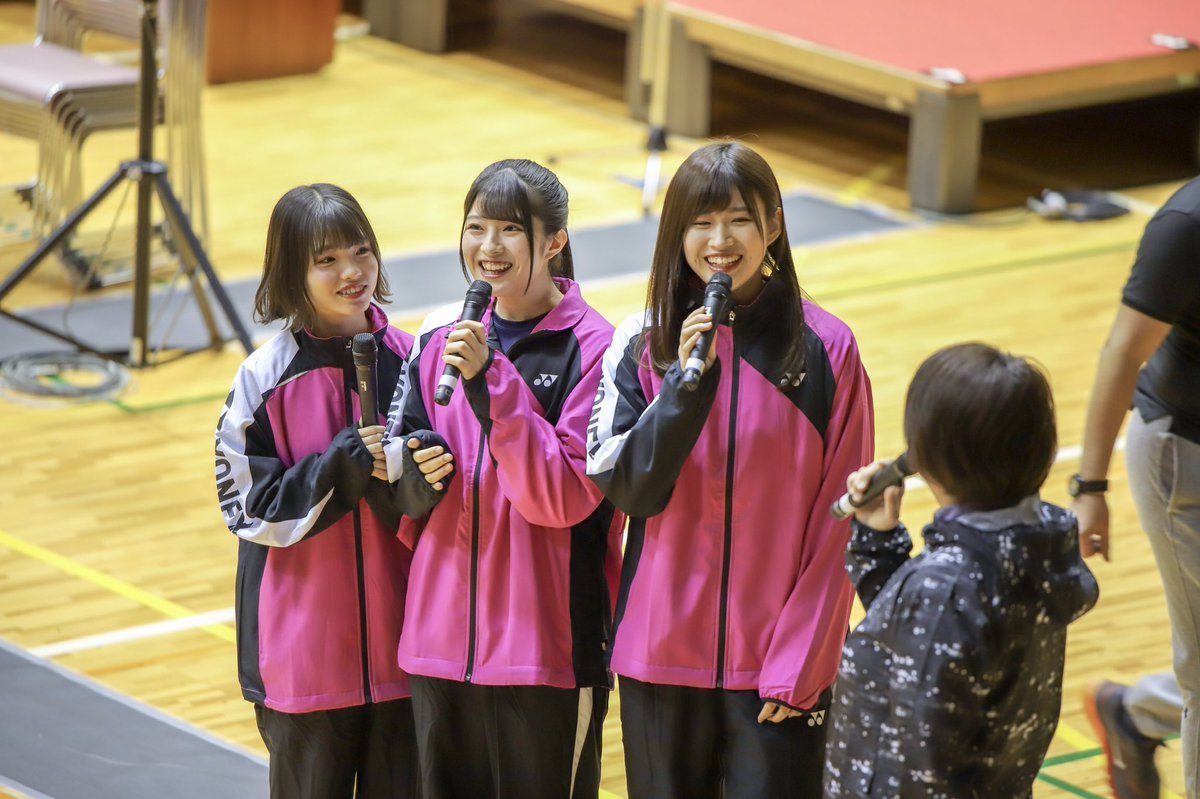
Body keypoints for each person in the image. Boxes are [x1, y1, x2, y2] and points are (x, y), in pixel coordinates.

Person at [585, 141, 874, 798]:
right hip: (658, 658)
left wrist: (802, 662)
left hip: (776, 669)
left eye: (739, 219)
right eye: (702, 222)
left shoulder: (827, 349)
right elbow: (629, 489)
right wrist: (682, 391)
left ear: (773, 226)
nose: (720, 240)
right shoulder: (643, 342)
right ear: (676, 232)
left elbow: (842, 519)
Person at [385, 159, 624, 799]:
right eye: (476, 227)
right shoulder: (439, 339)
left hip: (546, 652)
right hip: (439, 645)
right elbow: (399, 490)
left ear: (554, 241)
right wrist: (412, 474)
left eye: (510, 229)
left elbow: (562, 497)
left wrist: (494, 382)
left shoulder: (599, 350)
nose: (488, 246)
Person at [212, 184, 418, 798]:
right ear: (291, 272)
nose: (351, 272)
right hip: (304, 665)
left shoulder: (415, 361)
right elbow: (250, 510)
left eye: (361, 252)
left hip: (409, 656)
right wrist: (342, 465)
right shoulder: (262, 379)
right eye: (327, 260)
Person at [824, 342, 1100, 798]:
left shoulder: (945, 589)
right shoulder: (1039, 544)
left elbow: (925, 766)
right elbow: (913, 640)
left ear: (928, 456)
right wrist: (878, 540)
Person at [1074, 176, 1200, 799]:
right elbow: (1122, 353)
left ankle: (1135, 714)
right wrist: (1090, 486)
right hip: (1184, 458)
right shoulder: (1187, 224)